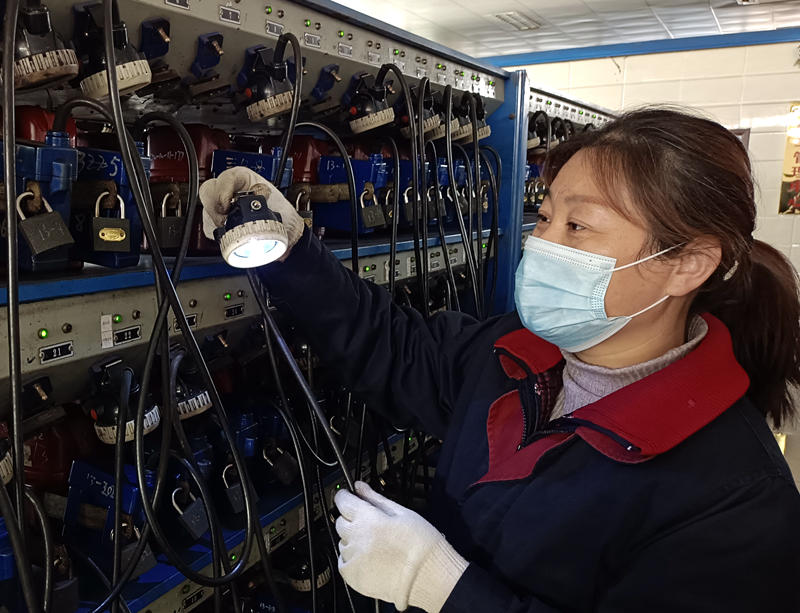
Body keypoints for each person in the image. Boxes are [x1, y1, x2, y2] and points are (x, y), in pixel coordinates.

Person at [199, 107, 800, 613]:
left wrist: (443, 586)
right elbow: (392, 346)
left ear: (688, 264)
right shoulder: (518, 351)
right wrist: (292, 249)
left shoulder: (737, 500)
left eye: (578, 226)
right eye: (546, 216)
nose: (541, 244)